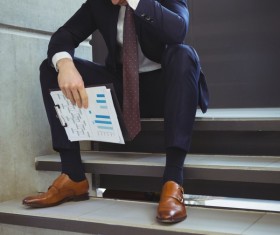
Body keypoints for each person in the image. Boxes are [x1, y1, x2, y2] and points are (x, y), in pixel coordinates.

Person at [22, 0, 208, 223]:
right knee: (50, 67)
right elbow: (65, 34)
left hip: (165, 88)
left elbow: (178, 30)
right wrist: (65, 65)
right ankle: (73, 175)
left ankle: (173, 180)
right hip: (124, 88)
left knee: (184, 54)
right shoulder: (98, 4)